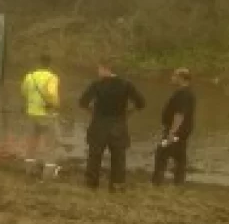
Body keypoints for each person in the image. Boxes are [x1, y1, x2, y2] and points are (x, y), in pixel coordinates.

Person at [78, 58, 145, 192]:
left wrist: (92, 113)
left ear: (106, 69)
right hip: (118, 124)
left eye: (99, 69)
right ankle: (117, 185)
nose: (98, 71)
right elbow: (141, 103)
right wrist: (128, 114)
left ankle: (92, 183)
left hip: (99, 124)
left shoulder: (97, 84)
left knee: (94, 155)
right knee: (118, 157)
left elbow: (82, 102)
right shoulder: (126, 84)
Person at [152, 67, 196, 186]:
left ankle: (157, 183)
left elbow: (179, 114)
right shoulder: (187, 93)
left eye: (174, 76)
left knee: (161, 152)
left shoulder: (183, 94)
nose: (172, 78)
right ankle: (179, 182)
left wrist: (172, 132)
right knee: (179, 156)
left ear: (181, 78)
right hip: (183, 131)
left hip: (176, 132)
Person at [21, 53, 61, 177]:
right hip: (47, 115)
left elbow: (24, 92)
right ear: (50, 65)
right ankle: (48, 174)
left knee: (31, 143)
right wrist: (55, 104)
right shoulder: (52, 78)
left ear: (38, 63)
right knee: (50, 145)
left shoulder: (29, 76)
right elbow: (52, 95)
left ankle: (29, 170)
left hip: (31, 114)